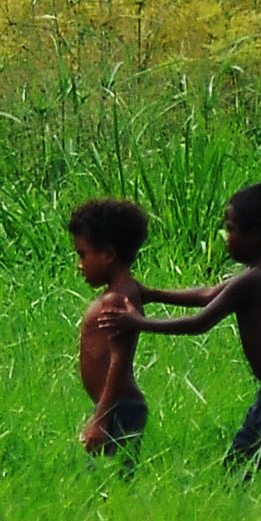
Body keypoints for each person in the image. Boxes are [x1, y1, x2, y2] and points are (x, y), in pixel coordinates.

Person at [118, 179, 261, 467]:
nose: (225, 235)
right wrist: (153, 294)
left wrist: (138, 322)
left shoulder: (256, 279)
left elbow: (199, 322)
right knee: (242, 466)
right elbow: (210, 293)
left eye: (231, 228)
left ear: (255, 235)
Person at [67, 197, 154, 459]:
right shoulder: (127, 291)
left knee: (109, 487)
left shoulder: (115, 300)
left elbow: (120, 359)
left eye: (82, 254)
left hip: (118, 409)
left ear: (107, 255)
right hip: (118, 406)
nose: (79, 264)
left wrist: (101, 418)